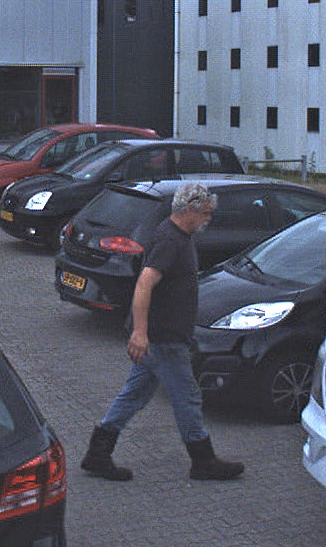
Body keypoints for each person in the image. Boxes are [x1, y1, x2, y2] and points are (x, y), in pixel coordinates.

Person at [84, 176, 247, 483]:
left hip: (160, 338)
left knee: (134, 395)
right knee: (187, 397)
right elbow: (144, 284)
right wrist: (140, 333)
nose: (209, 219)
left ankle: (98, 453)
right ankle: (203, 460)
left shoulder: (176, 236)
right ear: (190, 210)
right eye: (206, 213)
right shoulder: (170, 241)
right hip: (163, 339)